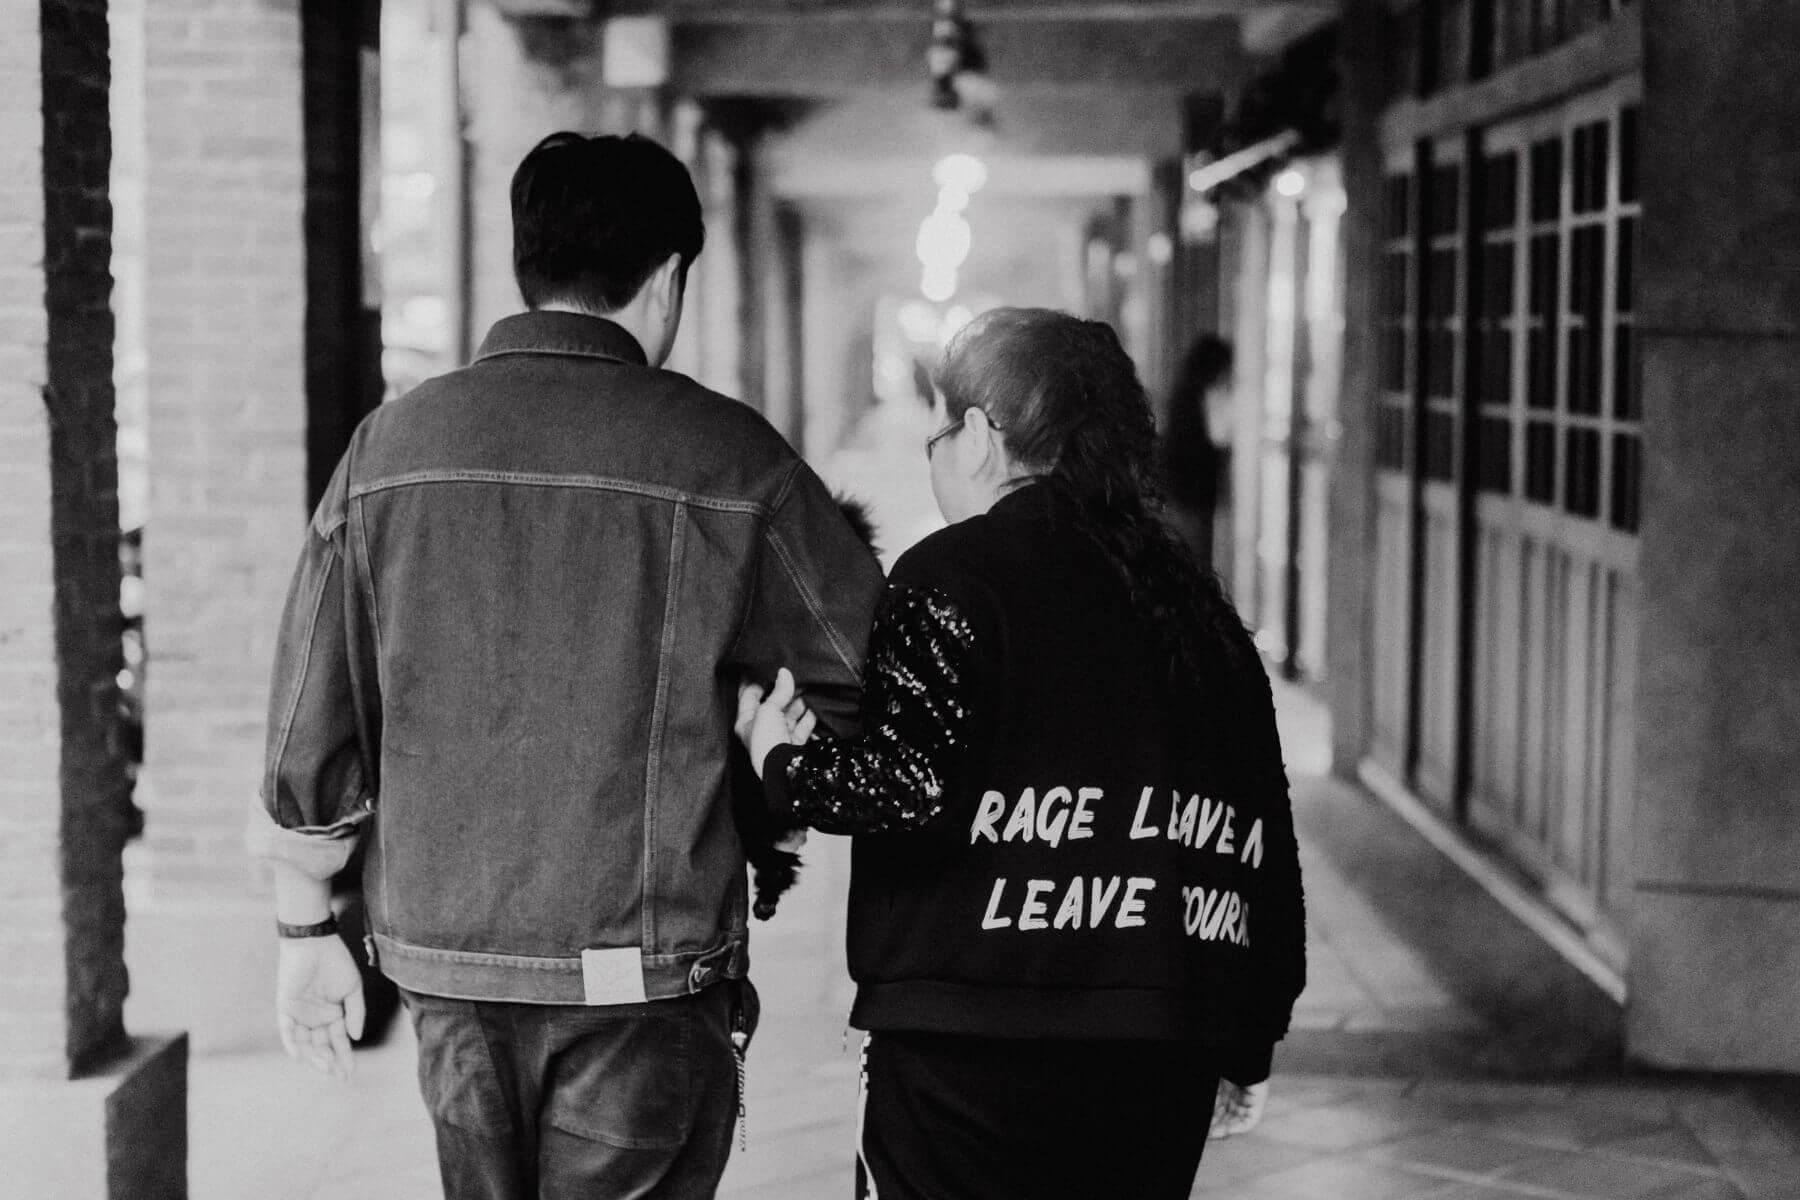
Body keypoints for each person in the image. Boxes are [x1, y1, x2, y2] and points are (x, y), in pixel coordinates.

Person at [249, 131, 884, 1200]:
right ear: (668, 278)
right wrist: (759, 742)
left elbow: (313, 709)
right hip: (644, 966)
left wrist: (304, 923)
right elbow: (866, 678)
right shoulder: (733, 456)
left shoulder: (387, 451)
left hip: (448, 960)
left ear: (526, 260)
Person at [738, 308, 1306, 1200]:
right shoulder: (1195, 603)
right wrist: (1251, 1039)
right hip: (1162, 1044)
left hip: (966, 1045)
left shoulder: (950, 574)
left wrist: (780, 761)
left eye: (936, 438)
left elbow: (905, 786)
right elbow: (1267, 836)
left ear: (976, 434)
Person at [1159, 332, 1234, 569]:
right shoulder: (1209, 399)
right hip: (1192, 499)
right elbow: (1220, 436)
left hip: (1181, 495)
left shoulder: (1184, 399)